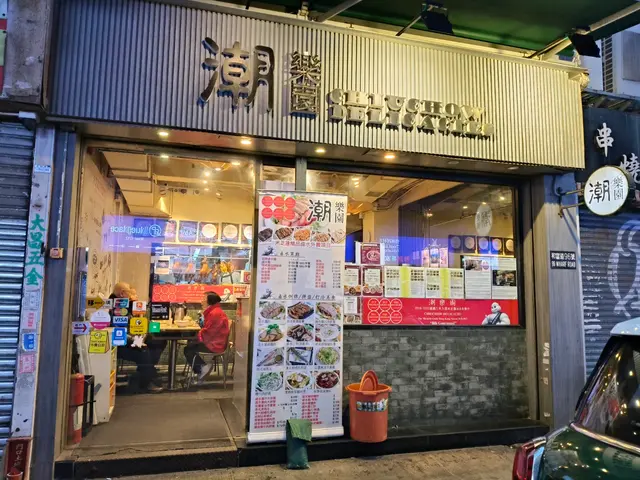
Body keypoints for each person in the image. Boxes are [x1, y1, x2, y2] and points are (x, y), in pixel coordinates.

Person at [110, 282, 164, 393]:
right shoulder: (116, 308)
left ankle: (147, 374)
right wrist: (137, 340)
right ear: (122, 293)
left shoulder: (124, 305)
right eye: (129, 292)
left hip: (129, 339)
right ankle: (147, 381)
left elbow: (136, 323)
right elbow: (118, 331)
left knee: (157, 342)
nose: (131, 295)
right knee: (144, 351)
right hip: (119, 344)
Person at [184, 292, 230, 383]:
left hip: (214, 345)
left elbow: (209, 332)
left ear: (210, 301)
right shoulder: (215, 311)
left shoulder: (215, 313)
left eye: (204, 299)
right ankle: (201, 371)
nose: (201, 301)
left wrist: (198, 335)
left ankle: (202, 368)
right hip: (215, 342)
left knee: (188, 349)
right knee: (191, 344)